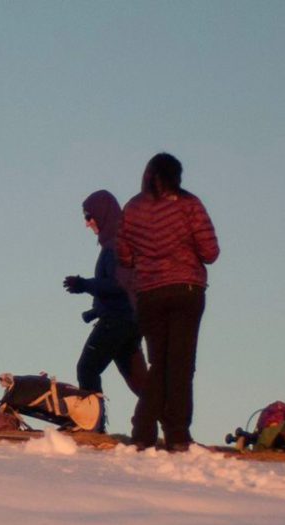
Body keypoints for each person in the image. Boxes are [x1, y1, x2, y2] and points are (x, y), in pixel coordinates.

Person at [116, 152, 219, 451]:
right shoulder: (190, 205)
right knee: (182, 364)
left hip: (149, 293)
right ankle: (177, 434)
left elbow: (123, 255)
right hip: (186, 289)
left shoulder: (132, 208)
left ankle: (143, 430)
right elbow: (210, 252)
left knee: (158, 362)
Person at [63, 190, 148, 420]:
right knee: (143, 385)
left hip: (117, 321)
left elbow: (119, 285)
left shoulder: (116, 246)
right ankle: (175, 427)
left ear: (103, 214)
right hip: (130, 322)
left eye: (89, 216)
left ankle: (93, 424)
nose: (87, 223)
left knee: (87, 368)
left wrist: (84, 284)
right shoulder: (120, 243)